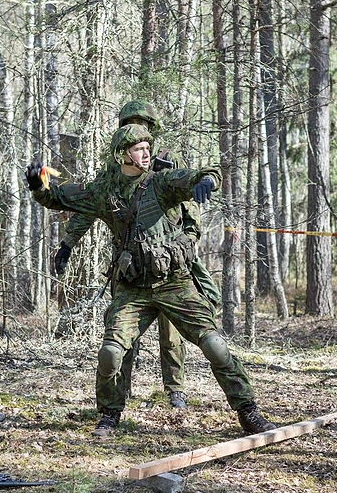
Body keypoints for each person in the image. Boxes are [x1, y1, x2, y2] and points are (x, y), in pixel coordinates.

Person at [27, 123, 275, 437]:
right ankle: (108, 415)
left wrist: (207, 182)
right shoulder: (106, 190)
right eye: (138, 149)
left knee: (214, 346)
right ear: (122, 155)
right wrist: (37, 183)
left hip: (174, 282)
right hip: (133, 288)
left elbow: (203, 174)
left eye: (147, 148)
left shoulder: (161, 182)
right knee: (111, 352)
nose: (146, 154)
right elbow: (59, 198)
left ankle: (249, 412)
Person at [56, 99, 220, 410]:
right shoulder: (114, 173)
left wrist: (187, 238)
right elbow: (88, 208)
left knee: (172, 334)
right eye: (130, 124)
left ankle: (175, 391)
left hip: (170, 260)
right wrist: (68, 243)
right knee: (121, 334)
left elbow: (190, 204)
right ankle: (120, 393)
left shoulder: (166, 163)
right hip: (131, 261)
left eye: (142, 124)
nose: (137, 130)